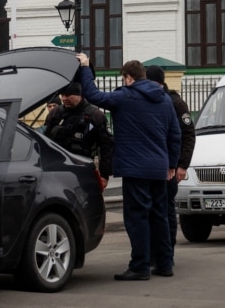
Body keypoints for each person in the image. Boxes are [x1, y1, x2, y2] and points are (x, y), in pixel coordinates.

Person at [76, 53, 181, 281]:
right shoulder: (165, 100)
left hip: (135, 168)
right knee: (159, 215)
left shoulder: (124, 97)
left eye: (123, 78)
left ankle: (140, 266)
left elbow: (93, 95)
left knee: (137, 217)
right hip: (159, 168)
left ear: (128, 77)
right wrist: (172, 164)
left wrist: (85, 67)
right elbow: (175, 134)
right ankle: (165, 263)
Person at [145, 65, 196, 253]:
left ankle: (167, 250)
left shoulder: (175, 103)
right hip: (155, 165)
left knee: (165, 211)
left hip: (170, 166)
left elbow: (188, 134)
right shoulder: (150, 100)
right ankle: (154, 250)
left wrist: (182, 165)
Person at [43, 82, 113, 187]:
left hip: (84, 171)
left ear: (79, 95)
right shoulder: (55, 114)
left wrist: (104, 175)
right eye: (62, 95)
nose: (64, 98)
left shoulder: (95, 116)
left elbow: (107, 146)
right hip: (57, 170)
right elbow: (44, 141)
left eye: (68, 95)